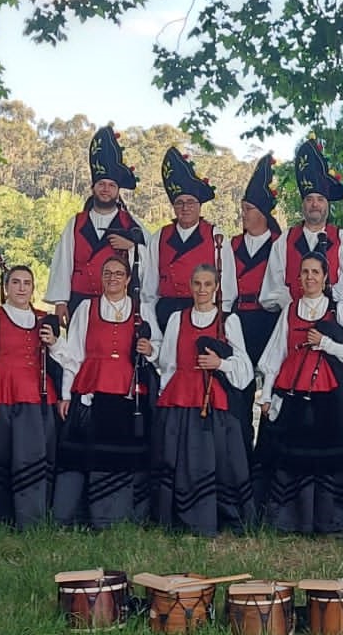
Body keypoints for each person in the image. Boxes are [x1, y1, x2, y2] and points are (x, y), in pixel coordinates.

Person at [255, 251, 343, 533]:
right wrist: (266, 396)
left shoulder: (336, 309)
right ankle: (292, 519)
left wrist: (325, 343)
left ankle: (331, 520)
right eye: (305, 272)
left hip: (329, 395)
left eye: (315, 272)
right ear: (299, 277)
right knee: (291, 456)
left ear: (325, 277)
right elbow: (275, 354)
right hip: (293, 391)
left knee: (330, 456)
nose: (310, 277)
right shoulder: (291, 310)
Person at [53, 256, 156, 529]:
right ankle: (81, 516)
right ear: (101, 277)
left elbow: (157, 348)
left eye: (119, 273)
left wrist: (149, 350)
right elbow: (73, 354)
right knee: (86, 453)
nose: (113, 278)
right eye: (107, 273)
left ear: (128, 279)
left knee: (121, 453)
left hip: (126, 392)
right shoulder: (86, 308)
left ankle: (118, 517)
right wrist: (66, 394)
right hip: (92, 387)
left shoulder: (142, 309)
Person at [153, 264, 255, 535]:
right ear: (190, 286)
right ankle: (177, 516)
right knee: (179, 457)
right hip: (181, 397)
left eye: (208, 284)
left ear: (216, 287)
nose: (202, 289)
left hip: (213, 400)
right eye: (197, 283)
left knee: (215, 458)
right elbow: (168, 363)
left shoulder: (228, 321)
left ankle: (215, 516)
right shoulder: (177, 318)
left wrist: (220, 363)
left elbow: (244, 367)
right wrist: (165, 396)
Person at [0, 264, 57, 530]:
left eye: (27, 283)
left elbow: (63, 356)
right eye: (16, 282)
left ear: (33, 288)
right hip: (5, 395)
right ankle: (2, 516)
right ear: (6, 287)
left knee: (34, 456)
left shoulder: (44, 318)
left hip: (38, 396)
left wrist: (54, 342)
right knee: (2, 454)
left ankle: (33, 517)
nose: (21, 288)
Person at [44, 124, 151, 321]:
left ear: (118, 191)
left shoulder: (132, 225)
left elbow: (151, 262)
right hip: (79, 301)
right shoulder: (76, 223)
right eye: (101, 184)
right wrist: (61, 302)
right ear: (93, 188)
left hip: (118, 304)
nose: (105, 189)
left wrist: (132, 247)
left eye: (111, 185)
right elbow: (63, 263)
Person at [261, 135, 343, 321]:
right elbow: (273, 289)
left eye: (320, 199)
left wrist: (320, 305)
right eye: (309, 199)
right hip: (292, 321)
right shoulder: (285, 240)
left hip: (331, 321)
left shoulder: (342, 239)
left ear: (327, 204)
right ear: (303, 204)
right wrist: (300, 308)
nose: (315, 204)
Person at [145, 146, 237, 327]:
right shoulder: (159, 237)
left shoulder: (216, 236)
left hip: (204, 312)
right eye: (179, 203)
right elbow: (149, 287)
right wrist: (150, 322)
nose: (185, 208)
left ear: (199, 205)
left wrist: (220, 318)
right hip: (166, 313)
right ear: (173, 207)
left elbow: (227, 285)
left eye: (190, 202)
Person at [230, 155, 283, 445]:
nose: (244, 215)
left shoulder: (279, 245)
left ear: (262, 211)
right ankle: (239, 447)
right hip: (239, 319)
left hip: (268, 319)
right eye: (242, 209)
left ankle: (267, 451)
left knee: (271, 383)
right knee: (240, 384)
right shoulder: (232, 244)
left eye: (248, 209)